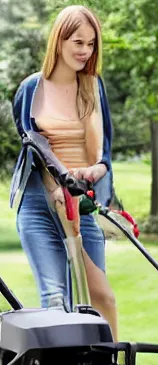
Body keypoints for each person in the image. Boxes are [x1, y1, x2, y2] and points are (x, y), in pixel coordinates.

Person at [10, 5, 118, 340]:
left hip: (79, 202)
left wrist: (88, 174)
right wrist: (53, 183)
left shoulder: (92, 87)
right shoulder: (31, 90)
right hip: (37, 204)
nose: (85, 51)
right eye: (77, 42)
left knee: (100, 296)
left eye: (91, 44)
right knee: (55, 299)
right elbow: (31, 144)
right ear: (59, 41)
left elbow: (104, 156)